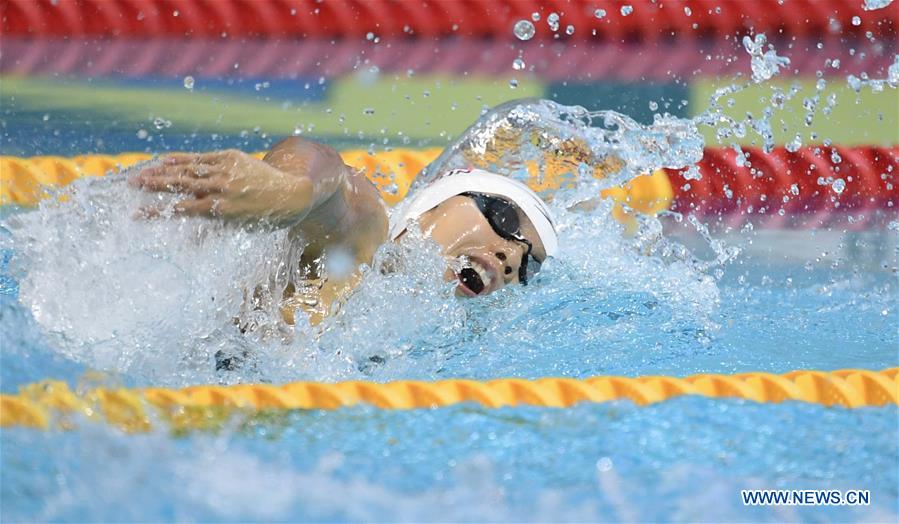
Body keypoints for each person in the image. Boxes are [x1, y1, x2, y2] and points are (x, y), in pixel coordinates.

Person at [129, 136, 558, 325]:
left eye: (530, 266)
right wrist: (291, 191)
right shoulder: (368, 239)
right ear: (434, 204)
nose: (512, 255)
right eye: (505, 219)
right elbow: (328, 172)